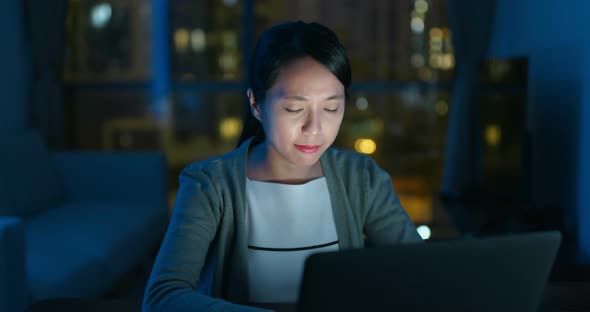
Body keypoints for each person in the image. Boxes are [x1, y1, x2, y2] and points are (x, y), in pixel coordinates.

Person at [142, 21, 422, 312]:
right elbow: (163, 297)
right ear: (256, 105)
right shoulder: (210, 184)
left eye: (331, 108)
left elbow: (421, 272)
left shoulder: (362, 178)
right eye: (294, 109)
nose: (314, 128)